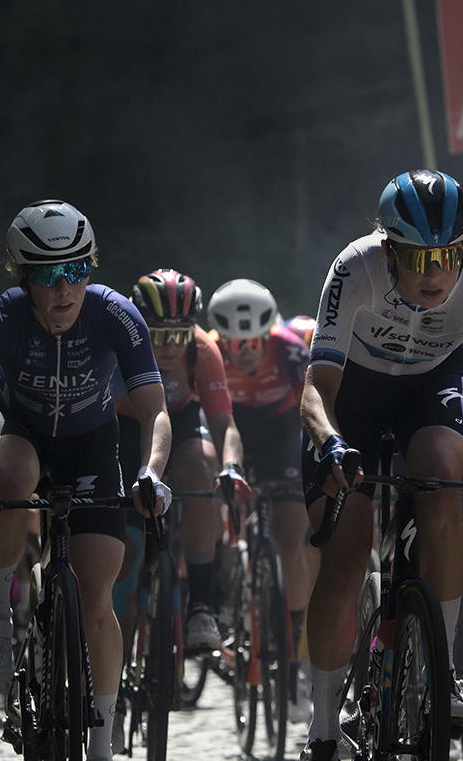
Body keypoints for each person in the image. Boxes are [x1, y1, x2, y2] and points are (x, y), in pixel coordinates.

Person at [299, 169, 463, 761]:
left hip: (432, 388)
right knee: (345, 558)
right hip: (354, 396)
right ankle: (322, 725)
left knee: (444, 476)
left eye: (448, 256)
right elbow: (316, 389)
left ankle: (443, 669)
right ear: (388, 250)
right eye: (417, 259)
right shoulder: (355, 268)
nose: (435, 273)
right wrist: (330, 443)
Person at [0, 199, 171, 761]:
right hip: (16, 428)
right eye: (48, 275)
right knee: (9, 472)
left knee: (96, 596)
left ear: (90, 269)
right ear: (25, 279)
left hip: (92, 444)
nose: (64, 288)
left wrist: (150, 472)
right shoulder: (0, 317)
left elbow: (155, 412)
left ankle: (102, 739)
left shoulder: (116, 313)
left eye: (76, 269)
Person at [118, 268, 246, 649]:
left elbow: (225, 425)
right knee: (126, 542)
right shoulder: (118, 346)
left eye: (179, 335)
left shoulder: (203, 349)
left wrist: (232, 467)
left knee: (202, 465)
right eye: (158, 336)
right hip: (125, 424)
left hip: (182, 417)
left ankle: (202, 605)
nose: (170, 347)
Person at [206, 278, 315, 721]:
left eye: (252, 340)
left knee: (291, 538)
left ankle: (296, 638)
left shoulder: (289, 349)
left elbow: (318, 398)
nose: (244, 350)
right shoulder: (207, 352)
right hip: (230, 428)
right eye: (234, 342)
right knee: (213, 505)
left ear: (266, 332)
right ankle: (227, 587)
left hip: (282, 433)